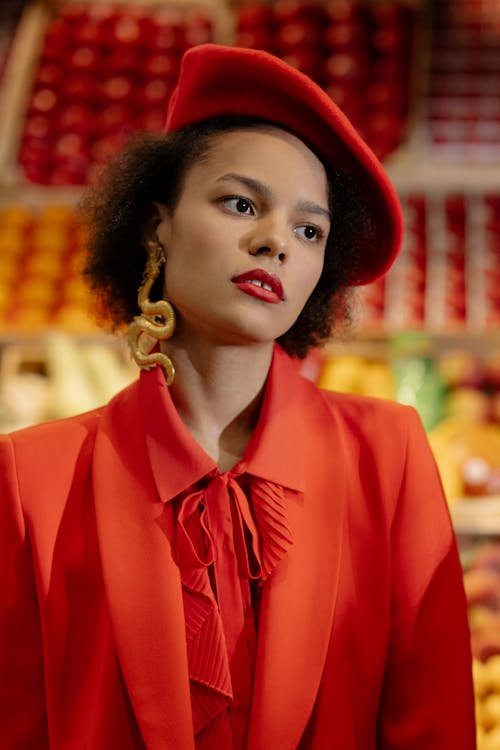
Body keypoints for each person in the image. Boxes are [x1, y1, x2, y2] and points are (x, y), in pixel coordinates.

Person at [0, 44, 475, 749]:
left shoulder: (389, 454)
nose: (273, 242)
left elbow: (434, 725)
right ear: (157, 221)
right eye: (240, 203)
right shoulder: (30, 476)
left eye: (308, 229)